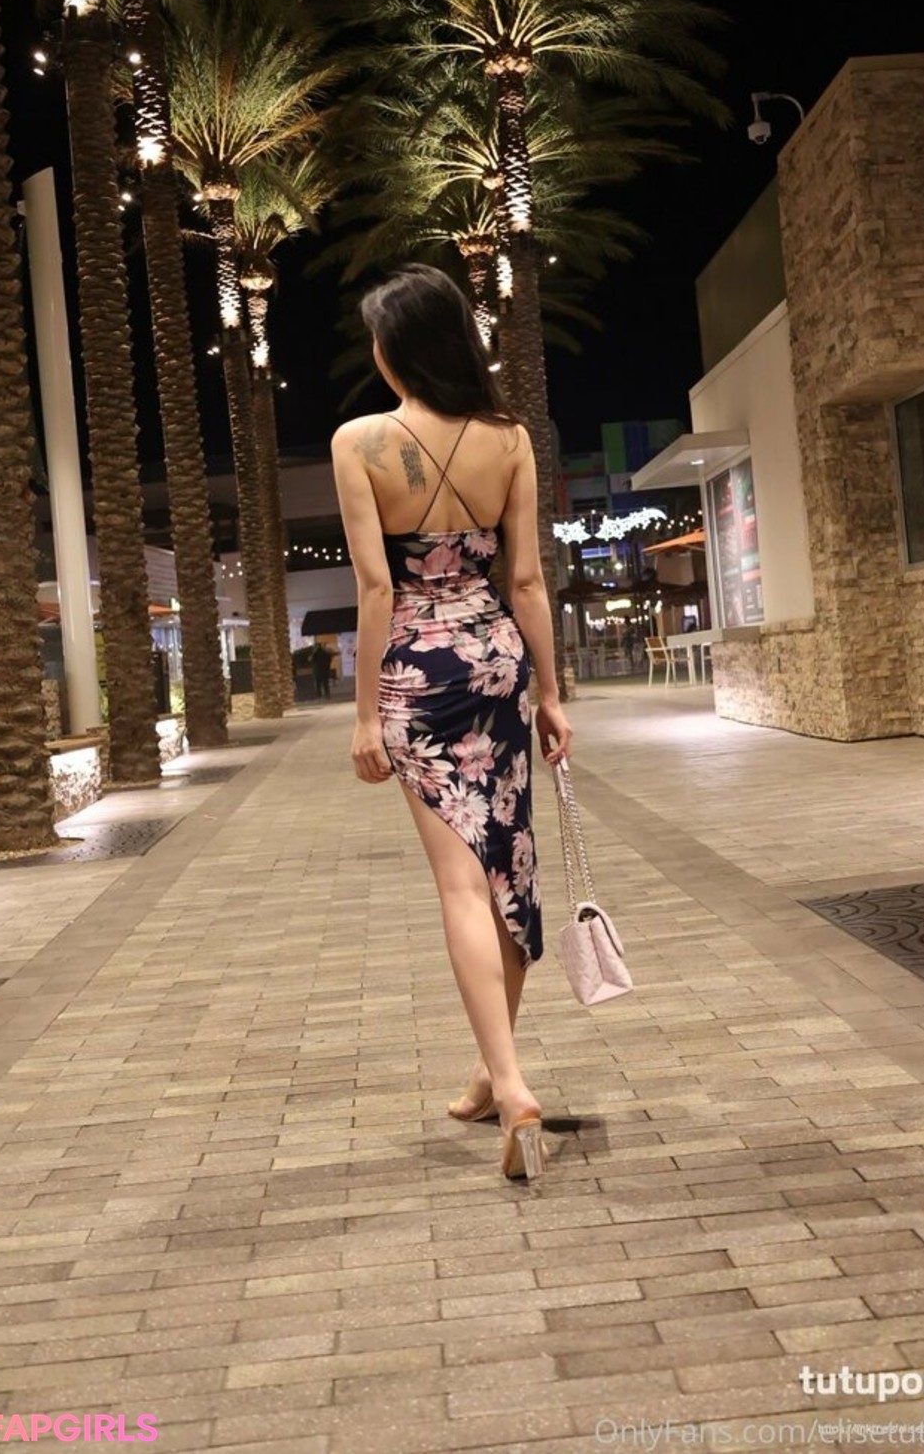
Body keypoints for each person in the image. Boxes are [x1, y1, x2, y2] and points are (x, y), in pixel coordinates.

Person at [331, 264, 572, 1186]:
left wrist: (364, 715)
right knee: (508, 866)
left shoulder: (360, 442)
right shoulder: (509, 438)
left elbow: (376, 589)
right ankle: (488, 1071)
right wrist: (551, 694)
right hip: (498, 663)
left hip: (418, 677)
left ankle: (509, 1084)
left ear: (397, 348)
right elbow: (527, 580)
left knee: (462, 887)